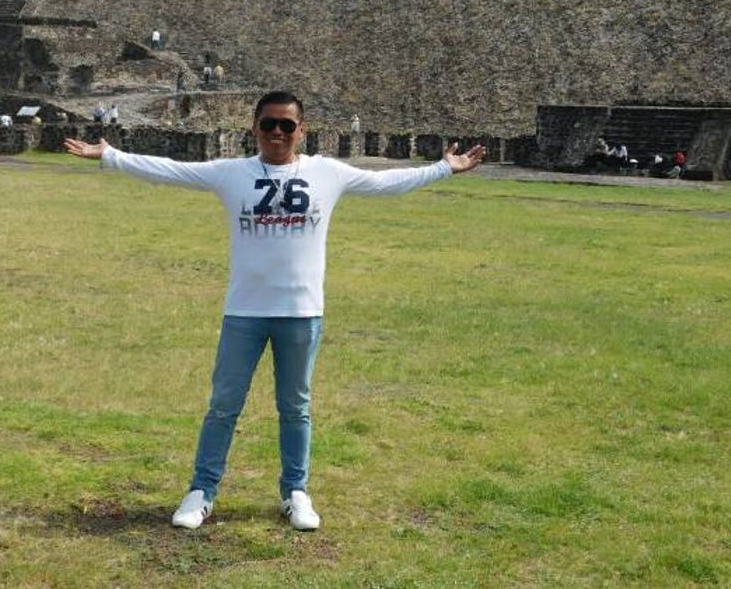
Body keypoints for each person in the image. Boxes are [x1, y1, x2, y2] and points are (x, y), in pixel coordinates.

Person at [63, 92, 485, 532]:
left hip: (302, 312)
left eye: (287, 125)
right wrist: (110, 156)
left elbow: (383, 185)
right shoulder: (233, 173)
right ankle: (201, 492)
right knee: (224, 406)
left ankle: (295, 491)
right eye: (269, 125)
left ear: (302, 130)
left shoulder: (326, 173)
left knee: (295, 407)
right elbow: (171, 170)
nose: (278, 133)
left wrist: (443, 168)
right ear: (255, 129)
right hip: (244, 311)